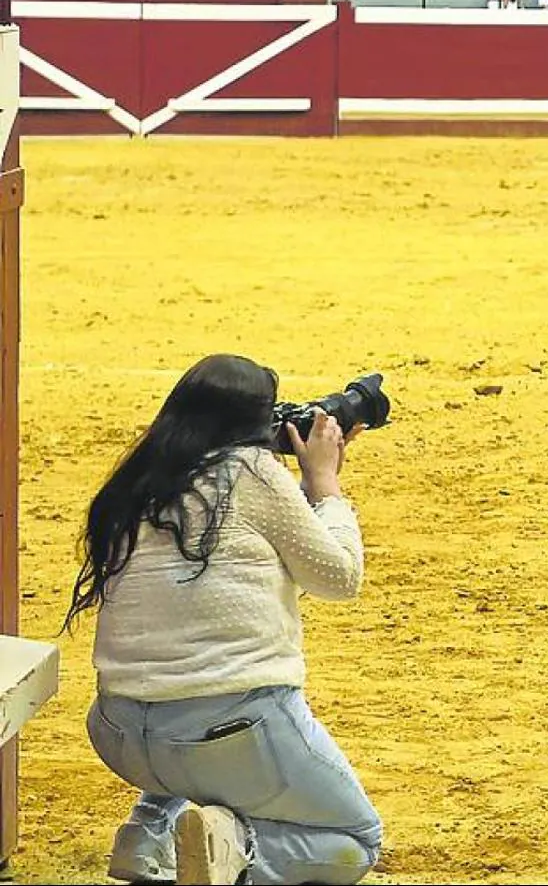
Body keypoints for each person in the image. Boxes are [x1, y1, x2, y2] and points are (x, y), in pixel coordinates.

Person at [66, 356, 382, 885]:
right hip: (229, 735)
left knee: (183, 671)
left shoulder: (139, 481)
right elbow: (339, 577)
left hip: (119, 733)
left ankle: (147, 834)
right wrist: (324, 482)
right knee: (355, 840)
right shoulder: (253, 473)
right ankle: (236, 854)